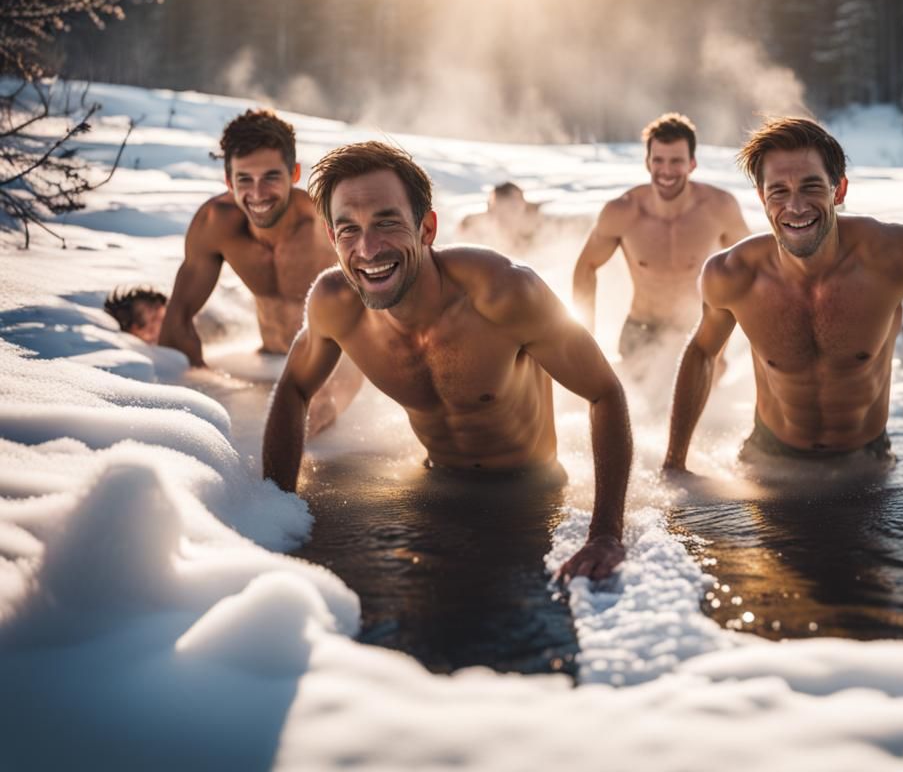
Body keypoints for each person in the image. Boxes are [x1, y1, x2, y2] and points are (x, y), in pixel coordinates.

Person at [262, 140, 632, 581]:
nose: (368, 248)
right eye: (348, 230)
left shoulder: (503, 293)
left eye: (387, 222)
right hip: (435, 485)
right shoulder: (334, 304)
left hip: (532, 494)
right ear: (332, 237)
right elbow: (293, 388)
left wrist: (606, 532)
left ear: (427, 228)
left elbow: (604, 392)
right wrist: (276, 512)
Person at [662, 116, 903, 477]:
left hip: (866, 462)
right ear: (762, 198)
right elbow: (701, 352)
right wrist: (675, 463)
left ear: (839, 190)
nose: (795, 206)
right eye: (778, 191)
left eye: (811, 186)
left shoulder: (894, 256)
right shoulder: (732, 274)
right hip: (769, 458)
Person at [158, 109, 361, 430]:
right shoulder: (216, 224)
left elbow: (372, 320)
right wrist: (201, 383)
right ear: (228, 181)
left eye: (270, 177)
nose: (257, 193)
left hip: (333, 372)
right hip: (264, 364)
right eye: (244, 180)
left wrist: (332, 401)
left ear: (293, 173)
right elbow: (177, 320)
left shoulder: (327, 223)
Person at [573, 112, 749, 362]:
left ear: (692, 164)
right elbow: (585, 268)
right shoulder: (622, 212)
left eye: (676, 161)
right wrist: (586, 339)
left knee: (703, 402)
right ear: (647, 163)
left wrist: (722, 342)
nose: (666, 171)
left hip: (697, 331)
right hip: (641, 331)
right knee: (633, 401)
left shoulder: (719, 208)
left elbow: (750, 270)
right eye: (658, 160)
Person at [456, 181, 543, 255]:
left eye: (513, 208)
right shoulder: (473, 226)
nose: (507, 214)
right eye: (500, 208)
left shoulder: (538, 230)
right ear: (490, 209)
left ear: (523, 207)